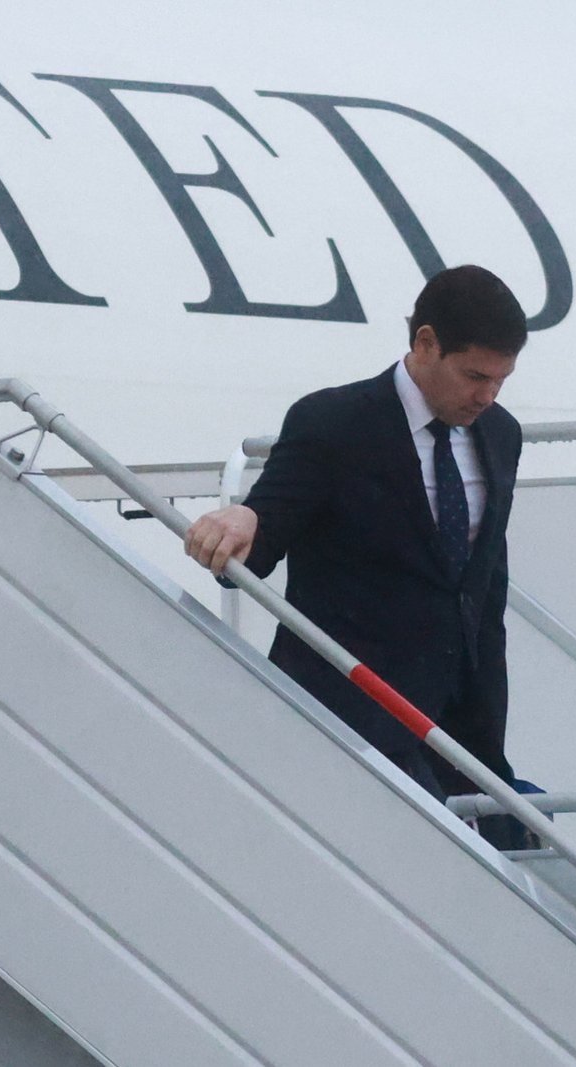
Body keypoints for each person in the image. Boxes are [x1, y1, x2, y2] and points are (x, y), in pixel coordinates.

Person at [185, 265, 534, 837]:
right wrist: (244, 518)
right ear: (426, 343)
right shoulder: (334, 423)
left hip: (461, 727)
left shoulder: (500, 434)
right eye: (475, 376)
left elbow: (484, 582)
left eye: (502, 380)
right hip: (351, 714)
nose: (487, 396)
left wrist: (487, 721)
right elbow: (266, 529)